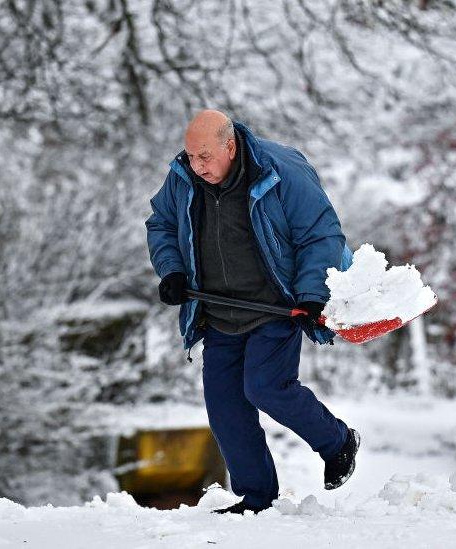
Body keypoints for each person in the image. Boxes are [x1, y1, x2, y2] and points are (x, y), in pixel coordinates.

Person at [145, 110, 360, 514]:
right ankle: (257, 497)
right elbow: (161, 223)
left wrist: (311, 294)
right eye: (191, 156)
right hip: (219, 309)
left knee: (265, 386)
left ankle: (338, 441)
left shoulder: (281, 170)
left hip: (275, 305)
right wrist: (171, 269)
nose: (197, 166)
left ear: (230, 146)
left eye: (205, 156)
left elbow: (320, 233)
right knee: (225, 407)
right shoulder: (182, 176)